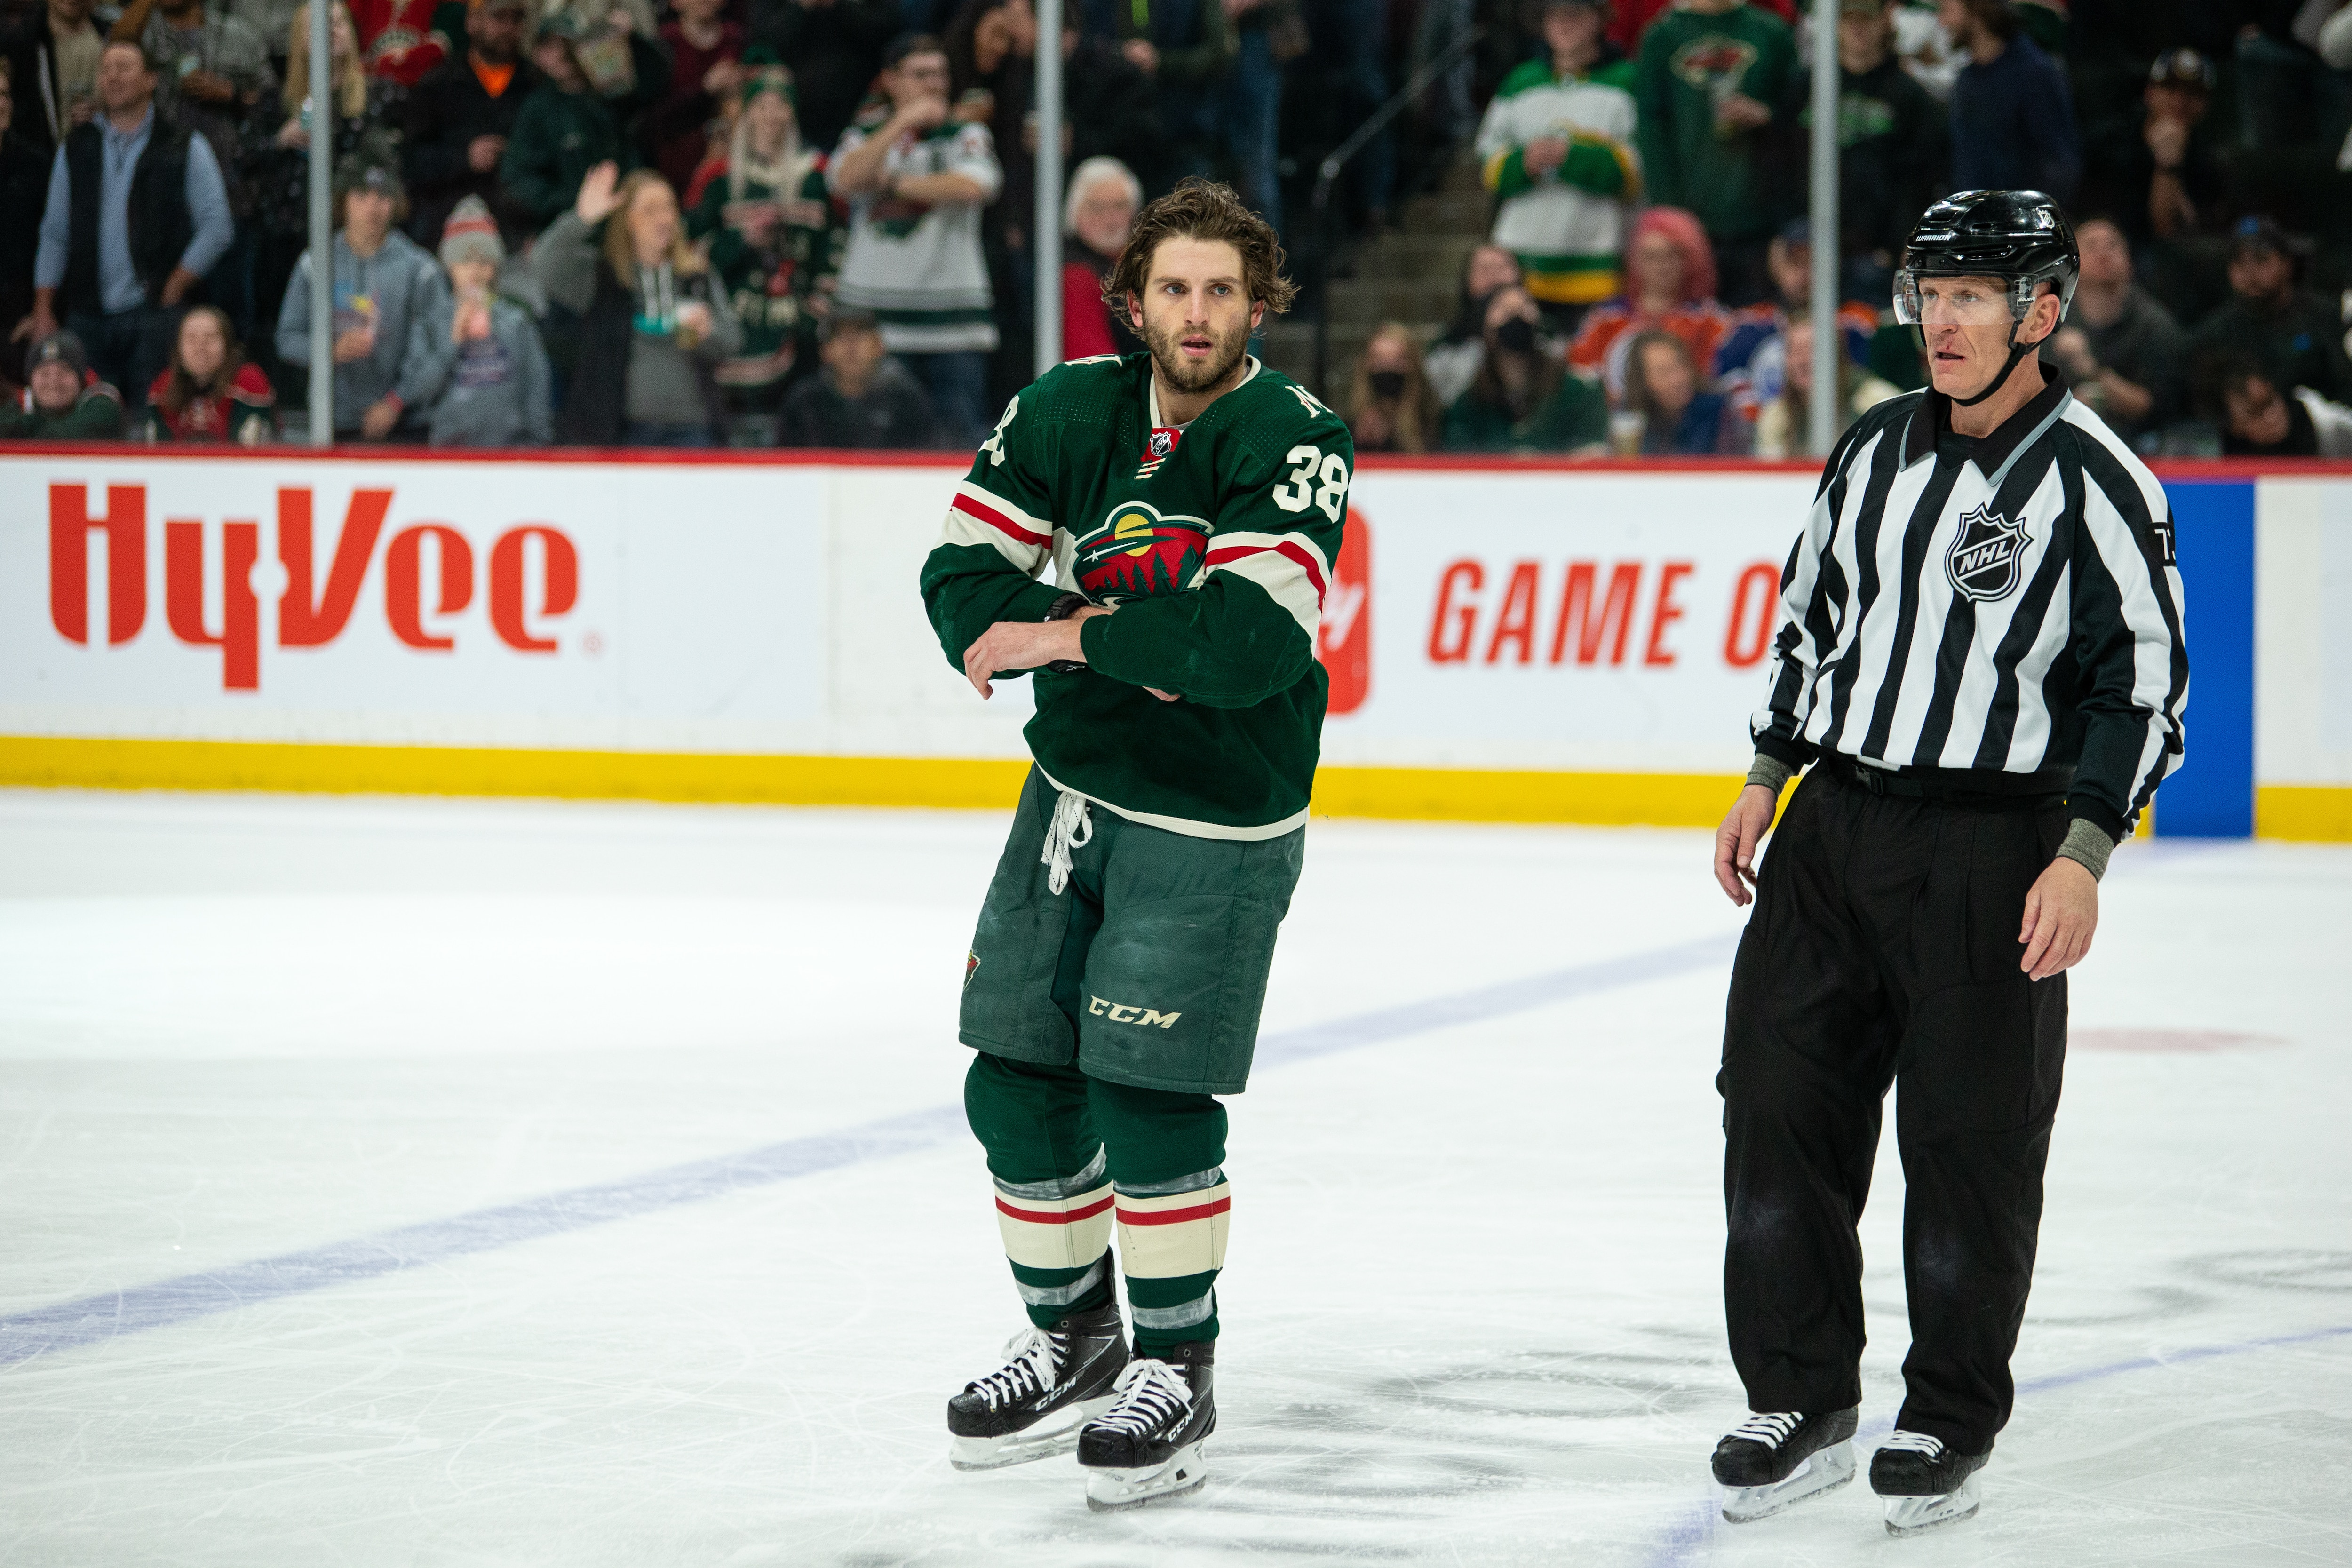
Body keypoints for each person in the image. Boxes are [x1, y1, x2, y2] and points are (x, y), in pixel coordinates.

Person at [1706, 191, 2187, 1539]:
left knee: (1970, 1139)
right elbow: (1813, 619)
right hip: (1832, 833)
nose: (1944, 318)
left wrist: (2084, 851)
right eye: (1932, 291)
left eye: (1975, 294)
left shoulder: (2099, 480)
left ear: (2043, 312)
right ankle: (1799, 1391)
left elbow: (2140, 687)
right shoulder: (1870, 450)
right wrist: (1767, 773)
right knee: (1778, 1100)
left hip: (1993, 846)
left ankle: (1948, 1409)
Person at [919, 176, 1345, 1512]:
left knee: (1149, 1094)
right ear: (1137, 301)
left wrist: (1066, 633)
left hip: (1215, 815)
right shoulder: (1067, 409)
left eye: (1223, 289)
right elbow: (959, 581)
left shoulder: (1292, 435)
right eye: (1175, 287)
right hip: (1074, 790)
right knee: (1015, 1076)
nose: (1199, 312)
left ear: (1259, 305)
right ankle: (1075, 1335)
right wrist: (1124, 647)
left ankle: (1176, 1361)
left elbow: (1242, 649)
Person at [29, 39, 236, 409]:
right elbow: (55, 230)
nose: (112, 77)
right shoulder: (77, 146)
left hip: (154, 314)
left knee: (152, 423)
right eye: (105, 69)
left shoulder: (183, 145)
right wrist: (44, 308)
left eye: (124, 67)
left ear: (151, 80)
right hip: (86, 315)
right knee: (90, 425)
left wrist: (176, 284)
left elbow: (217, 226)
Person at [828, 32, 1001, 446]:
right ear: (891, 80)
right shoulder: (866, 133)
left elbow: (975, 186)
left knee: (959, 449)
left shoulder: (965, 134)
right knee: (875, 449)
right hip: (878, 325)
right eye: (920, 75)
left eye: (941, 74)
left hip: (954, 324)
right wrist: (902, 122)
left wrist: (897, 184)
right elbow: (845, 179)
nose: (934, 84)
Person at [532, 160, 741, 445]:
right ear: (628, 220)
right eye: (651, 210)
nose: (664, 219)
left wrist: (708, 333)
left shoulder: (696, 276)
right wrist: (581, 219)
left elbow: (732, 342)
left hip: (694, 430)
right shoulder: (602, 279)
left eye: (668, 208)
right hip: (620, 432)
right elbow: (544, 264)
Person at [255, 1, 400, 380]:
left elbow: (388, 170)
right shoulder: (277, 102)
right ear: (300, 38)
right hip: (287, 240)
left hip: (352, 242)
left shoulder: (377, 98)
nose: (333, 30)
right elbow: (245, 165)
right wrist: (280, 140)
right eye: (322, 24)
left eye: (340, 24)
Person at [1473, 0, 1638, 322]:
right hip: (1521, 265)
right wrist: (1524, 163)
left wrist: (1572, 157)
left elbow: (1636, 172)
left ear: (1599, 19)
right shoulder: (1520, 82)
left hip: (1600, 263)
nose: (1563, 23)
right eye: (1553, 14)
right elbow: (1488, 164)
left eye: (1574, 13)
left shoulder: (1627, 80)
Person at [686, 62, 838, 407]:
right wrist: (741, 242)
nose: (772, 115)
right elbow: (690, 253)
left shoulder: (816, 176)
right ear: (747, 112)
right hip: (730, 328)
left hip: (795, 333)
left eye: (781, 105)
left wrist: (814, 315)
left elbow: (833, 249)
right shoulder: (718, 180)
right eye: (761, 106)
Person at [1632, 0, 1798, 307]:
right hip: (1688, 231)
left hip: (1760, 225)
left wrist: (1766, 116)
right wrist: (1672, 221)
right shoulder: (1661, 37)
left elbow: (1802, 117)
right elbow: (1651, 133)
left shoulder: (1771, 32)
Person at [273, 157, 447, 439]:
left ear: (396, 203)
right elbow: (288, 339)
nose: (372, 206)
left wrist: (396, 403)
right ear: (343, 201)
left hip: (406, 423)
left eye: (383, 196)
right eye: (361, 195)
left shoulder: (421, 270)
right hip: (332, 421)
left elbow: (437, 350)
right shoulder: (316, 265)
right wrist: (329, 350)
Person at [498, 11, 666, 229]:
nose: (561, 55)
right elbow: (518, 176)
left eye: (567, 45)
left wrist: (633, 40)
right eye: (549, 47)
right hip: (574, 224)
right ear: (537, 55)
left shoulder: (611, 92)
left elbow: (657, 83)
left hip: (627, 219)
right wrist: (571, 206)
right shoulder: (537, 109)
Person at [405, 193, 550, 444]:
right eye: (464, 261)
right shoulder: (431, 320)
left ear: (496, 267)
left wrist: (536, 443)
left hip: (508, 452)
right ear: (449, 266)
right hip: (448, 454)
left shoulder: (516, 321)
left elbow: (536, 387)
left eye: (485, 262)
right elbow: (416, 393)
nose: (475, 271)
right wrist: (453, 339)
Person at [401, 0, 539, 249]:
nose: (508, 28)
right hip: (446, 232)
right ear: (472, 22)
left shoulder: (537, 85)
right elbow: (411, 163)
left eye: (517, 19)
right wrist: (464, 158)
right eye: (498, 17)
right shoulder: (437, 85)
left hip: (521, 235)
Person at [1831, 0, 1945, 301]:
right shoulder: (1808, 88)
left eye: (1865, 19)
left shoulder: (1910, 97)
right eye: (1848, 19)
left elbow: (1922, 177)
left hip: (1881, 252)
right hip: (1814, 250)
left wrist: (1906, 240)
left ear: (1885, 21)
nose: (1856, 28)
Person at [2042, 215, 2180, 449]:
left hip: (2140, 449)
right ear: (2070, 264)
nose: (2104, 253)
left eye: (2113, 245)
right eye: (2092, 246)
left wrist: (2093, 372)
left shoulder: (2155, 325)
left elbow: (2153, 407)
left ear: (2129, 261)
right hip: (2059, 444)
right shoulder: (2048, 322)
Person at [1711, 219, 1877, 411]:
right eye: (1795, 263)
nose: (1805, 275)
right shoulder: (1748, 328)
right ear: (1776, 267)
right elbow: (1727, 396)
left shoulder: (1857, 327)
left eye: (1814, 263)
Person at [2188, 217, 2352, 411]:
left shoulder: (2325, 314)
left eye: (2261, 260)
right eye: (2239, 263)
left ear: (2287, 263)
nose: (2250, 273)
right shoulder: (2217, 333)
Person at [1567, 205, 1729, 401]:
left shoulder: (1708, 319)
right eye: (1649, 257)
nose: (1659, 266)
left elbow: (1720, 382)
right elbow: (1579, 378)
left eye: (1670, 256)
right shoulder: (1605, 319)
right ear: (1635, 261)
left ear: (1690, 260)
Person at [1938, 0, 2078, 204]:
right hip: (1977, 226)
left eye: (1947, 10)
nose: (1942, 22)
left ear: (1975, 9)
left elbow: (2061, 166)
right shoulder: (1966, 83)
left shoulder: (2035, 73)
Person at [1442, 283, 1608, 454]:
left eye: (1523, 310)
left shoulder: (1579, 393)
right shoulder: (1468, 405)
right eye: (1506, 311)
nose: (1516, 318)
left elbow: (1592, 455)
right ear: (1485, 328)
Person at [745, 0, 898, 155]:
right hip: (796, 117)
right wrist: (801, 5)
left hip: (855, 110)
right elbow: (764, 38)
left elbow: (888, 27)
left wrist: (840, 5)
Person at [1746, 311, 1901, 458]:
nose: (1803, 361)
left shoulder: (1880, 403)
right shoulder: (1775, 415)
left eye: (1812, 351)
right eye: (1796, 351)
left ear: (1837, 356)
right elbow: (1772, 478)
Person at [775, 305, 937, 445]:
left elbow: (925, 467)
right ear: (825, 351)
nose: (851, 345)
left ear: (879, 346)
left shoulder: (906, 400)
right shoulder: (805, 401)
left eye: (860, 333)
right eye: (840, 335)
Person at [649, 0, 745, 193]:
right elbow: (654, 119)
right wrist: (705, 89)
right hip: (680, 168)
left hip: (734, 162)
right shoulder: (664, 44)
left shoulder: (736, 38)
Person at [141, 300, 275, 438]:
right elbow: (157, 453)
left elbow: (251, 451)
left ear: (227, 347)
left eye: (210, 337)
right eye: (191, 338)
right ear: (177, 349)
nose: (200, 347)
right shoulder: (164, 386)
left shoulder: (248, 381)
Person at [1, 0, 107, 160]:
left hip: (98, 161)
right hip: (38, 164)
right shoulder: (22, 42)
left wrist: (103, 112)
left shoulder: (110, 37)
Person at [1059, 154, 1141, 358]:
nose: (1110, 220)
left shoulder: (1139, 264)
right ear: (1074, 214)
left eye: (1120, 206)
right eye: (1097, 208)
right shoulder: (1077, 275)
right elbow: (1095, 363)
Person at [0, 62, 53, 376]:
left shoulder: (36, 165)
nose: (1, 103)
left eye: (4, 94)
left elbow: (59, 239)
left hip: (20, 320)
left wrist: (42, 312)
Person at [2197, 355, 2352, 459]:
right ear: (2233, 427)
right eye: (2256, 412)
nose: (2271, 416)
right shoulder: (2213, 459)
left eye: (2270, 401)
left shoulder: (2325, 424)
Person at [1422, 240, 1519, 406]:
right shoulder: (1447, 347)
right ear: (1467, 280)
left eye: (1502, 268)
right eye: (1485, 270)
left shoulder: (1545, 338)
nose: (1495, 279)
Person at [1622, 328, 1746, 454]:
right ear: (1643, 381)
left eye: (1682, 364)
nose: (1679, 378)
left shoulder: (1718, 409)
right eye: (1664, 371)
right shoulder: (1630, 414)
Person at [1, 328, 125, 435]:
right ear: (30, 381)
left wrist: (23, 429)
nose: (53, 381)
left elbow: (69, 436)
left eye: (64, 371)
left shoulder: (102, 403)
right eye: (44, 374)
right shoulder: (22, 403)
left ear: (81, 379)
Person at [1343, 321, 1441, 454]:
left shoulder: (1431, 419)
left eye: (1397, 361)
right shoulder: (1348, 429)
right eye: (1379, 361)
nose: (1387, 370)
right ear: (1366, 365)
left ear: (1413, 365)